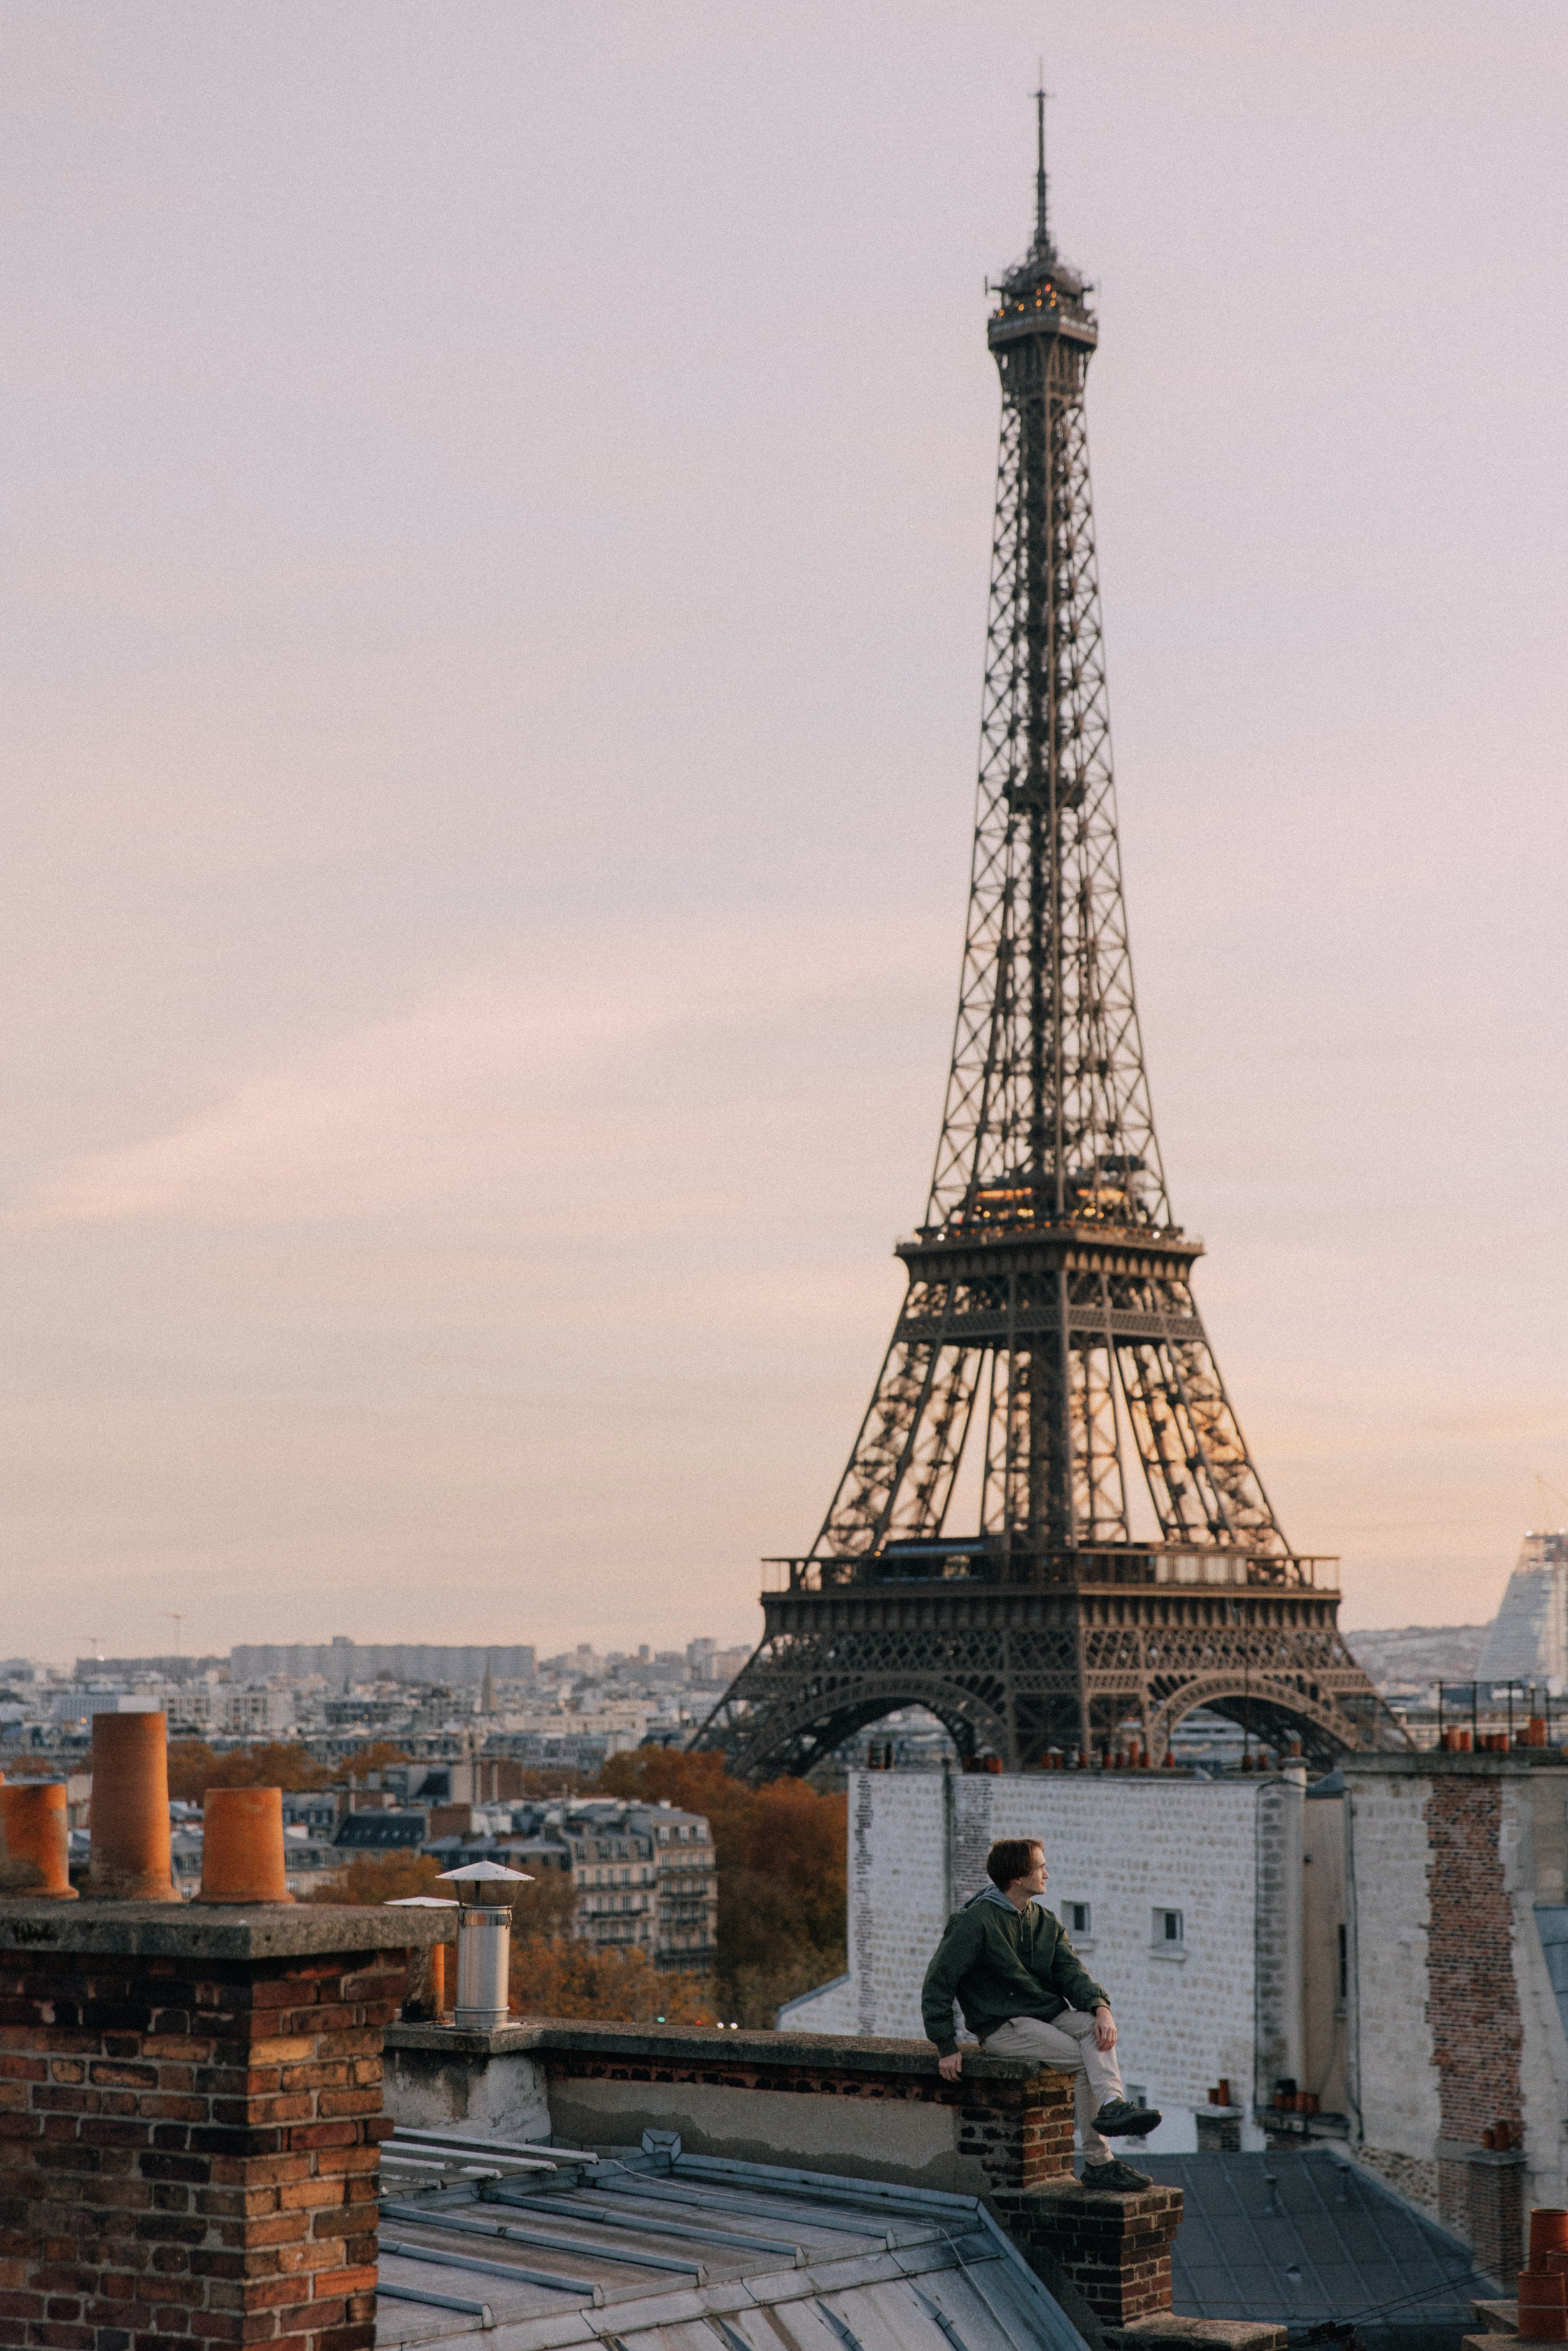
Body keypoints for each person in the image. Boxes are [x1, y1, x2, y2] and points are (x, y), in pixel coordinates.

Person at [921, 1835, 1161, 2191]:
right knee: (1085, 2061)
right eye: (1041, 1867)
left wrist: (1101, 2008)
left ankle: (1112, 2105)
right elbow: (938, 1984)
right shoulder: (974, 1923)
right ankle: (1099, 2162)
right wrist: (946, 2045)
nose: (1047, 1875)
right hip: (1003, 2026)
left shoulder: (1045, 1921)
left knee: (1094, 2031)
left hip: (1047, 2014)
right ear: (1018, 1878)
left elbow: (1071, 1972)